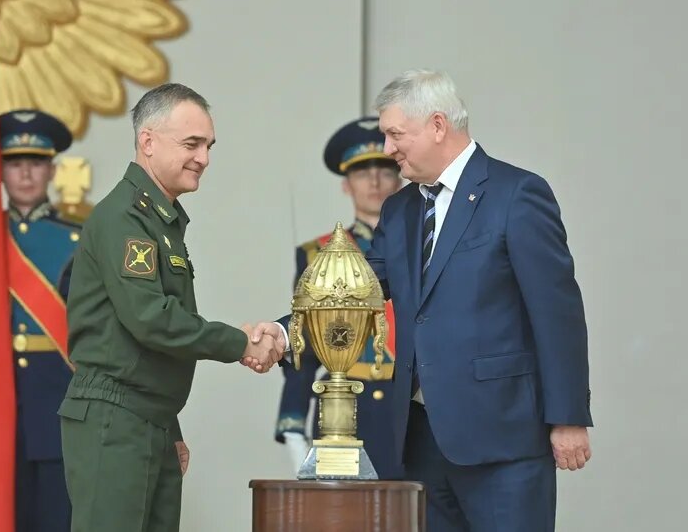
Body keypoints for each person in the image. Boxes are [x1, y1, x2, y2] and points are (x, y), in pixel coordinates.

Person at [252, 69, 593, 531]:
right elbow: (358, 288)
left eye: (396, 134)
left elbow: (557, 313)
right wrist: (282, 331)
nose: (388, 148)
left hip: (502, 438)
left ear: (437, 125)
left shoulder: (516, 194)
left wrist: (567, 417)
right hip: (420, 441)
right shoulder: (401, 208)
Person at [57, 83, 281, 532]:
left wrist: (168, 427)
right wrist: (240, 343)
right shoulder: (125, 217)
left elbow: (143, 351)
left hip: (147, 419)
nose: (204, 158)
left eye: (209, 146)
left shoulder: (158, 219)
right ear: (148, 141)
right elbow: (151, 320)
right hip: (114, 422)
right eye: (192, 144)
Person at [274, 117, 403, 479]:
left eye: (385, 170)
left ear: (401, 179)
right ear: (346, 184)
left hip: (414, 408)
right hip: (346, 409)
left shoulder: (425, 248)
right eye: (362, 173)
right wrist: (292, 422)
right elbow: (305, 343)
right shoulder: (318, 254)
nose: (374, 182)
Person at [0, 109, 79, 532]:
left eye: (35, 163)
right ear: (0, 171)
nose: (26, 174)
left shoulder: (78, 240)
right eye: (15, 164)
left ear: (51, 169)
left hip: (57, 404)